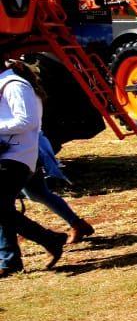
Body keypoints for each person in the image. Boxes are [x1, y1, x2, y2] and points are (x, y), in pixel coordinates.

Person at [1, 62, 68, 276]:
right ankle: (10, 261)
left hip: (16, 156)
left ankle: (49, 239)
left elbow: (26, 121)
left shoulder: (14, 85)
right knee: (4, 208)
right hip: (11, 155)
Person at [22, 131, 93, 243]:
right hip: (20, 151)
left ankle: (49, 240)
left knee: (8, 205)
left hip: (19, 153)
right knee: (37, 193)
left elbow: (27, 124)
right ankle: (76, 224)